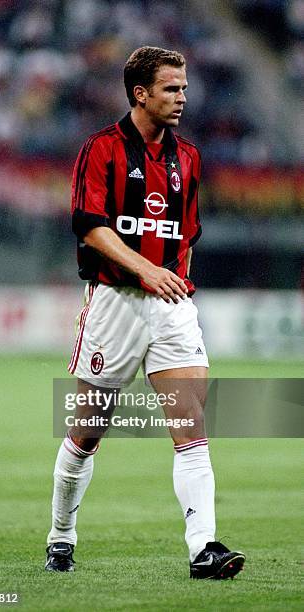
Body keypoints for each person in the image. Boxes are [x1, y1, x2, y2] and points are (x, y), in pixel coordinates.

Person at [45, 46, 245, 580]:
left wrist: (173, 280)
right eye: (171, 88)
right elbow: (89, 224)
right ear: (141, 93)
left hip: (172, 308)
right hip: (115, 304)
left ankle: (203, 548)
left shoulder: (191, 159)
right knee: (88, 432)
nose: (183, 97)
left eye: (184, 87)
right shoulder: (102, 150)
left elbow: (187, 234)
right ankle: (61, 535)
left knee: (191, 426)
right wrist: (146, 271)